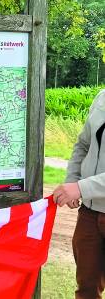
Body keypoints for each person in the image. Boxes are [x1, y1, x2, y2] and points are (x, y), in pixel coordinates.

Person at [53, 89, 105, 299]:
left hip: (89, 197)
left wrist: (81, 188)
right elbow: (83, 144)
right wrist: (72, 179)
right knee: (86, 289)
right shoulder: (102, 96)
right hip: (89, 215)